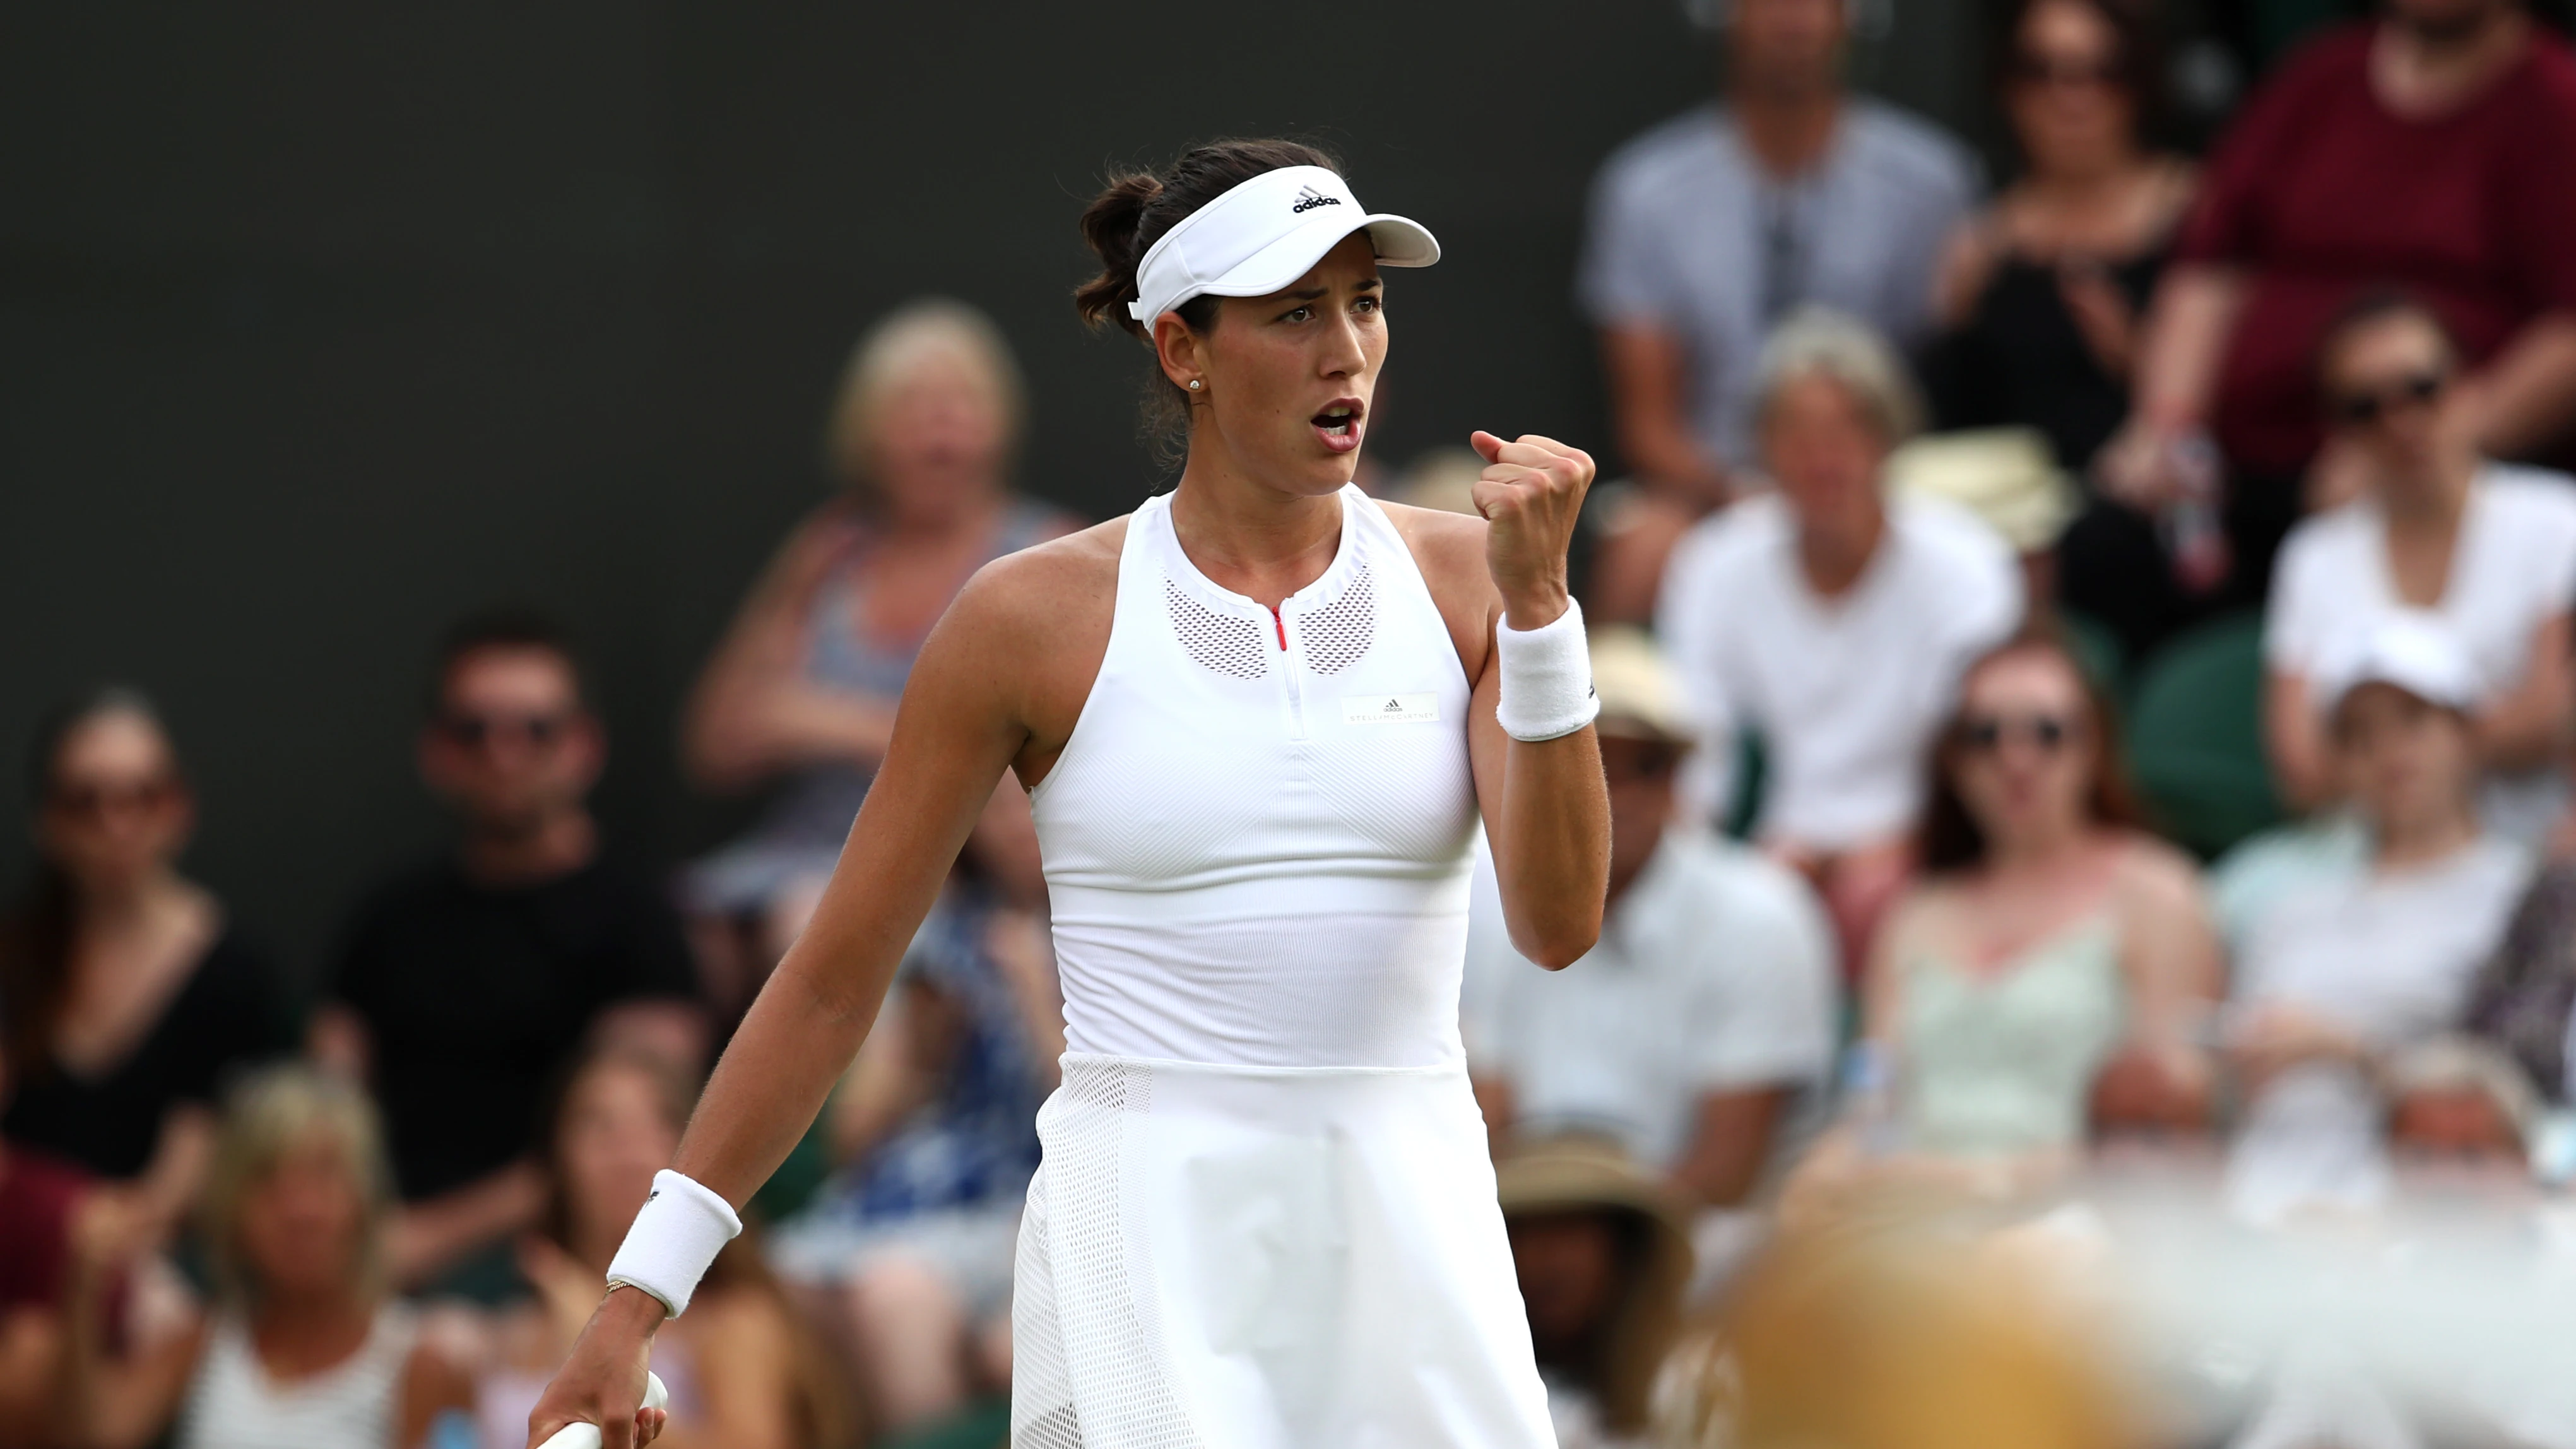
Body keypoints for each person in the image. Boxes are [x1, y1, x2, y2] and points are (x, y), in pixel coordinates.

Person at [528, 138, 1609, 1449]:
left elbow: (1556, 921)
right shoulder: (1026, 618)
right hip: (1143, 1247)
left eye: (1364, 301)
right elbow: (829, 979)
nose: (1348, 350)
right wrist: (638, 1292)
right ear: (1182, 350)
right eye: (1293, 311)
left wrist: (1545, 618)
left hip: (1414, 1229)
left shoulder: (1476, 582)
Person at [2106, 0, 2576, 610]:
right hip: (2233, 474)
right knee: (2106, 550)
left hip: (2419, 477)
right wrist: (2168, 425)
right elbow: (2211, 265)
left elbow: (2567, 332)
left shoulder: (2556, 105)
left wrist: (2416, 448)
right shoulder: (2319, 78)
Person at [683, 300, 1074, 1005]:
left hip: (955, 877)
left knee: (815, 927)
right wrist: (894, 732)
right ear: (864, 433)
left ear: (999, 424)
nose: (939, 427)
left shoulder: (1044, 552)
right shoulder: (830, 555)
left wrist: (826, 721)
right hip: (801, 849)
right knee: (686, 939)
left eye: (961, 404)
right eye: (912, 407)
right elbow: (718, 742)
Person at [311, 613, 704, 1294]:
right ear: (437, 751)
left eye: (535, 729)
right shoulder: (385, 920)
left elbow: (634, 1145)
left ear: (584, 745)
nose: (504, 751)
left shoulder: (642, 928)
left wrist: (428, 1237)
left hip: (552, 1269)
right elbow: (325, 1102)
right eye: (474, 730)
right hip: (369, 1252)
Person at [1787, 632, 2219, 1210]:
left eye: (2047, 733)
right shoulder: (1918, 910)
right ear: (1954, 761)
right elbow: (1874, 1101)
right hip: (1909, 1219)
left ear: (2094, 748)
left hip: (2081, 1228)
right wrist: (1829, 1168)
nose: (2016, 760)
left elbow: (2167, 1134)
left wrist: (1967, 1184)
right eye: (1985, 736)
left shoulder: (2156, 894)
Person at [1578, 0, 1978, 621]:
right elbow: (1646, 423)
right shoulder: (1646, 189)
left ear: (1854, 16)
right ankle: (1593, 718)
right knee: (1639, 548)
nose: (1793, 20)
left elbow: (1948, 379)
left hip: (1886, 482)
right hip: (1714, 488)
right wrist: (1741, 492)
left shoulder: (1932, 182)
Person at [1657, 310, 2024, 974]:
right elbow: (1695, 739)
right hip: (1769, 849)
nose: (1821, 456)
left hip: (1926, 848)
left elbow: (1974, 743)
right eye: (1793, 431)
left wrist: (1899, 845)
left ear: (1888, 438)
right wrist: (1710, 867)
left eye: (1847, 427)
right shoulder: (1710, 563)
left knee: (1867, 905)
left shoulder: (1967, 563)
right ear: (1761, 448)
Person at [1464, 629, 1837, 1217]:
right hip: (1525, 1240)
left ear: (1676, 779)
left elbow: (1726, 1173)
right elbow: (1488, 1121)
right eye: (1585, 754)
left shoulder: (1762, 916)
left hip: (1696, 1262)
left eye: (1644, 764)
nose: (1612, 788)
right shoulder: (1480, 900)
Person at [2225, 613, 2536, 1224]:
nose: (2390, 752)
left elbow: (2528, 1098)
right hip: (2258, 1207)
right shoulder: (2286, 907)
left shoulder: (2521, 894)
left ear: (2466, 731)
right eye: (2361, 736)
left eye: (2413, 723)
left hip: (2423, 1221)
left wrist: (2353, 1052)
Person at [1920, 0, 2202, 659]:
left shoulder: (2195, 216)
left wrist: (2139, 361)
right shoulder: (1980, 243)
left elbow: (2231, 406)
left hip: (2147, 520)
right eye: (2040, 72)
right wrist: (1952, 322)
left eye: (2096, 72)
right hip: (2007, 522)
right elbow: (1948, 424)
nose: (2068, 98)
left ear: (2137, 82)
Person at [2264, 293, 2576, 844]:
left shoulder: (2559, 520)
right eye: (2365, 406)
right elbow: (2301, 769)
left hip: (2533, 844)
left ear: (2469, 385)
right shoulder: (2310, 557)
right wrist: (2481, 738)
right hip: (2360, 863)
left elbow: (2553, 718)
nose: (2400, 420)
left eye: (2422, 388)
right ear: (2338, 428)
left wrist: (2371, 753)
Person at [54, 1066, 473, 1449]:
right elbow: (93, 1434)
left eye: (325, 1178)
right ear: (232, 1212)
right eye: (271, 1184)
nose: (301, 1212)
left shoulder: (421, 1364)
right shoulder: (204, 1342)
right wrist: (83, 1287)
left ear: (364, 1205)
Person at [0, 689, 288, 1241]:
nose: (116, 824)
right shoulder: (13, 961)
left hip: (170, 1268)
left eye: (143, 797)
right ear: (48, 821)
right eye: (86, 801)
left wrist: (104, 1242)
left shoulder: (233, 973)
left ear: (181, 808)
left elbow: (190, 1178)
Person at [766, 895, 1058, 1434]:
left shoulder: (1089, 937)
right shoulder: (941, 943)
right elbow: (847, 1142)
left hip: (1022, 1198)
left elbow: (1087, 1115)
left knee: (895, 1296)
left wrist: (1031, 986)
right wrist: (920, 1053)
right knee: (768, 1286)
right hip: (896, 1199)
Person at [475, 1046, 843, 1449]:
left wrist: (595, 1334)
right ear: (556, 1155)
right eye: (598, 1123)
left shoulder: (736, 1319)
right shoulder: (499, 1338)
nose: (628, 1149)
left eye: (660, 1120)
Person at [1494, 1136, 1694, 1449]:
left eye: (1568, 1231)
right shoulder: (1476, 1395)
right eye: (1523, 1234)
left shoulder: (1692, 1389)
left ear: (1626, 1250)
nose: (1543, 1260)